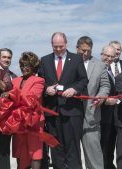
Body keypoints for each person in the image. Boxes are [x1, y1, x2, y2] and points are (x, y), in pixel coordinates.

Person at [38, 32, 88, 169]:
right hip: (52, 112)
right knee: (56, 148)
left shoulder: (77, 59)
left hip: (72, 111)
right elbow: (40, 83)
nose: (58, 49)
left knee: (73, 148)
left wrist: (74, 90)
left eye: (61, 46)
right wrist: (47, 89)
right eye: (55, 47)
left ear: (66, 44)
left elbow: (83, 80)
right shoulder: (44, 60)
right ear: (51, 45)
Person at [76, 36, 110, 169]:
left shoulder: (100, 65)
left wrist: (101, 97)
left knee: (94, 156)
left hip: (91, 116)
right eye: (83, 50)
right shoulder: (69, 62)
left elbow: (105, 86)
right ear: (77, 48)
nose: (85, 53)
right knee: (72, 155)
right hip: (71, 115)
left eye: (88, 51)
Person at [11, 51, 44, 169]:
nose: (23, 68)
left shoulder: (39, 80)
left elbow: (31, 98)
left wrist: (11, 94)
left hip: (34, 122)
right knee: (19, 151)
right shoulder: (14, 81)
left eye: (27, 65)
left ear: (33, 66)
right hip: (18, 122)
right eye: (22, 65)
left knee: (35, 153)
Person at [99, 45, 118, 169]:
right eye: (107, 56)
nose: (109, 58)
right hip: (101, 114)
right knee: (102, 145)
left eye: (112, 56)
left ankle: (109, 165)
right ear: (102, 55)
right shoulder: (97, 69)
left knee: (111, 144)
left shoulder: (111, 71)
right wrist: (105, 101)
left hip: (113, 116)